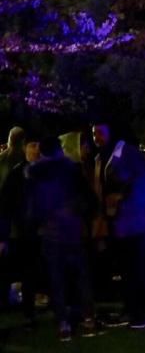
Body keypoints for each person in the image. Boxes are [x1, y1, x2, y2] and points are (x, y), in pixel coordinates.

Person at [25, 137, 98, 341]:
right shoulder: (72, 170)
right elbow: (88, 198)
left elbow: (32, 206)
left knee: (56, 279)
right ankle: (88, 317)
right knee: (81, 275)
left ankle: (64, 323)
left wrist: (36, 224)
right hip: (73, 229)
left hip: (50, 231)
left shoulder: (35, 173)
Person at [92, 122, 145, 329]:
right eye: (94, 134)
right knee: (128, 269)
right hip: (122, 223)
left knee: (137, 268)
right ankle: (133, 309)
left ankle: (142, 313)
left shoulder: (127, 153)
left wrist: (122, 195)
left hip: (136, 222)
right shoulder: (103, 157)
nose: (96, 138)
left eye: (100, 133)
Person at [0, 133, 43, 328]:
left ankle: (31, 309)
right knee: (24, 271)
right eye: (32, 145)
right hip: (22, 231)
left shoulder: (44, 171)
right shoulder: (17, 174)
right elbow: (6, 206)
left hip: (39, 230)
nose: (36, 150)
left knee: (32, 272)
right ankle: (27, 310)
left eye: (38, 146)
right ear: (25, 148)